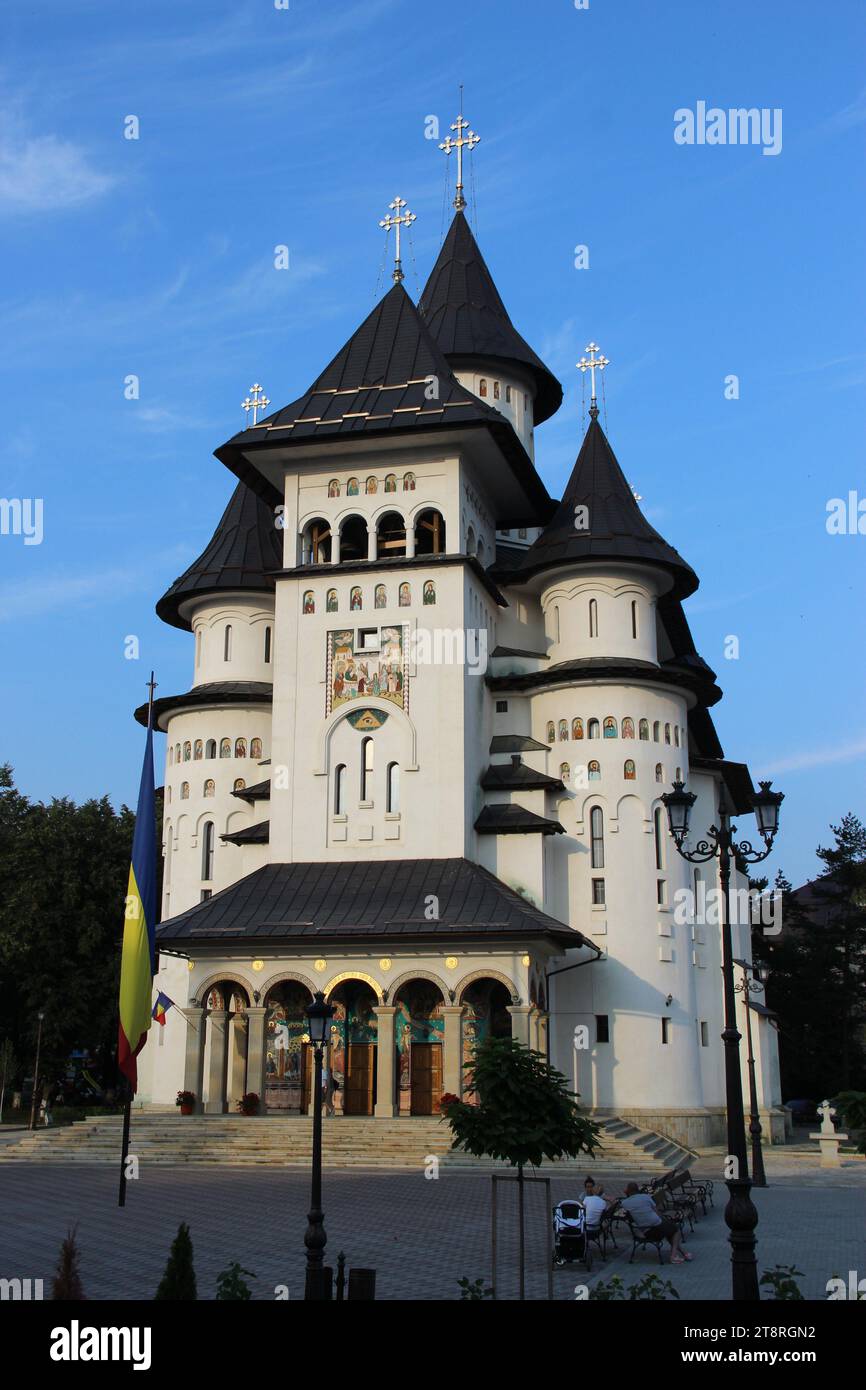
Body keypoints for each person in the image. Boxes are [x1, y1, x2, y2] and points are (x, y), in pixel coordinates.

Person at [619, 1181, 692, 1264]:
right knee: (676, 1230)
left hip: (646, 1229)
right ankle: (673, 1256)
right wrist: (664, 1220)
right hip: (654, 1227)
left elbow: (623, 1211)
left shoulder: (625, 1203)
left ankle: (682, 1252)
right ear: (637, 1190)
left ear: (628, 1191)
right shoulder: (645, 1197)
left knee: (670, 1232)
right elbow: (656, 1211)